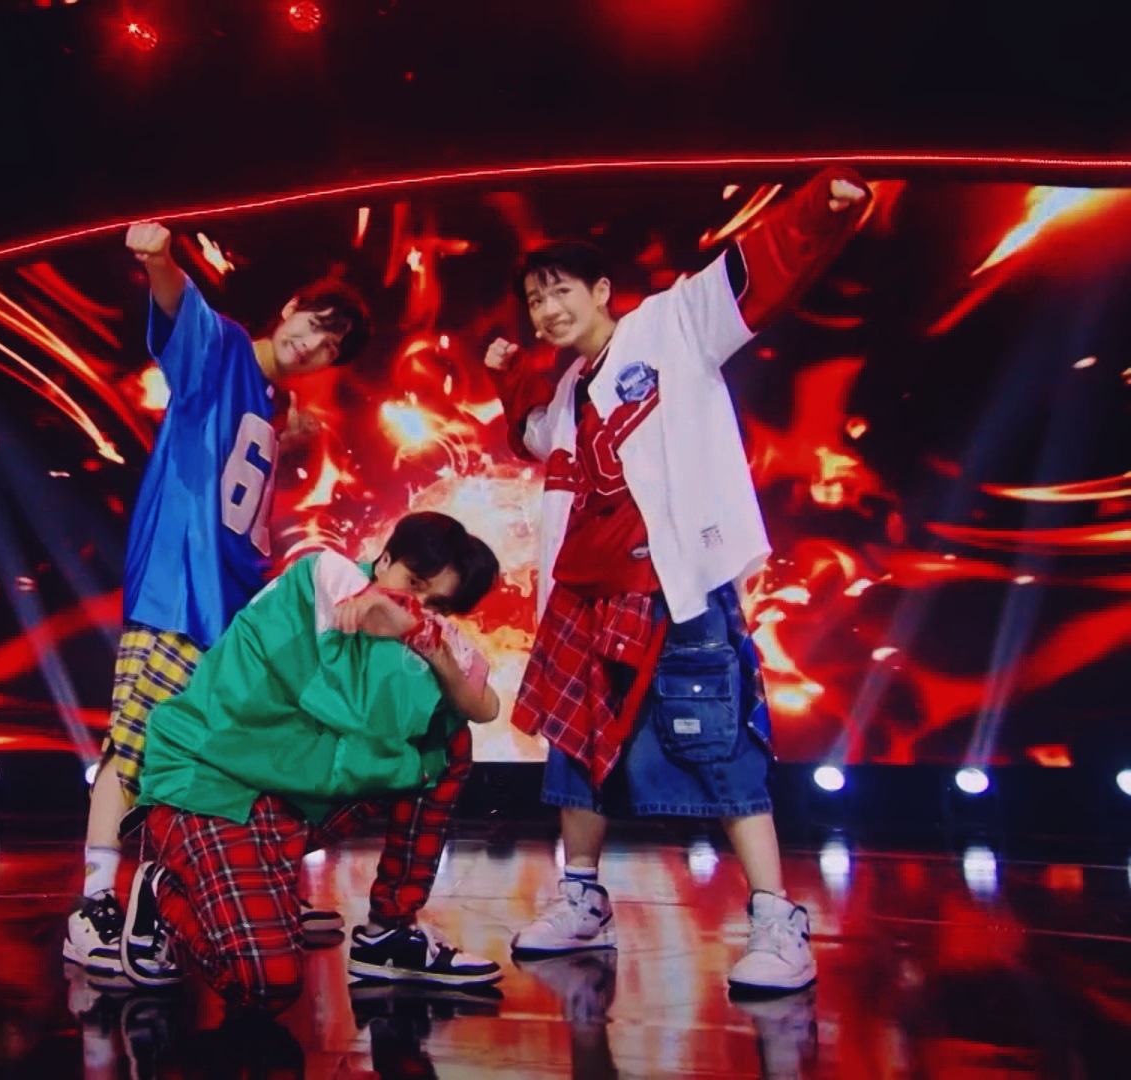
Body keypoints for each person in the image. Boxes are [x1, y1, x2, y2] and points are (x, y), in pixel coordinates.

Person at [483, 168, 872, 995]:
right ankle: (582, 898)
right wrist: (507, 371)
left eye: (560, 291)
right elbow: (532, 431)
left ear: (601, 290)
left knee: (718, 742)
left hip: (673, 589)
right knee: (576, 753)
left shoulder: (671, 324)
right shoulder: (568, 390)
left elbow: (751, 273)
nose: (548, 310)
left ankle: (776, 919)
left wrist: (819, 205)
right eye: (535, 300)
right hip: (585, 598)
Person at [65, 222, 375, 975]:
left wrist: (283, 432)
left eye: (330, 345)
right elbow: (182, 307)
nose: (313, 343)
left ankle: (201, 895)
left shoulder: (269, 399)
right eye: (315, 323)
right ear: (291, 307)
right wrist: (159, 259)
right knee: (136, 743)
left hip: (229, 607)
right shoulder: (225, 347)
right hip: (178, 591)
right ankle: (95, 905)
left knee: (217, 757)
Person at [117, 512, 507, 1013]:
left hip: (288, 800)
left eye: (437, 603)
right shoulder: (326, 577)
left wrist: (427, 639)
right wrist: (396, 617)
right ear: (383, 560)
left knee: (445, 741)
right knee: (267, 982)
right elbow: (354, 662)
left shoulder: (421, 636)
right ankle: (163, 892)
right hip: (212, 790)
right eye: (413, 584)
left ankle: (388, 932)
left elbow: (485, 706)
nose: (419, 606)